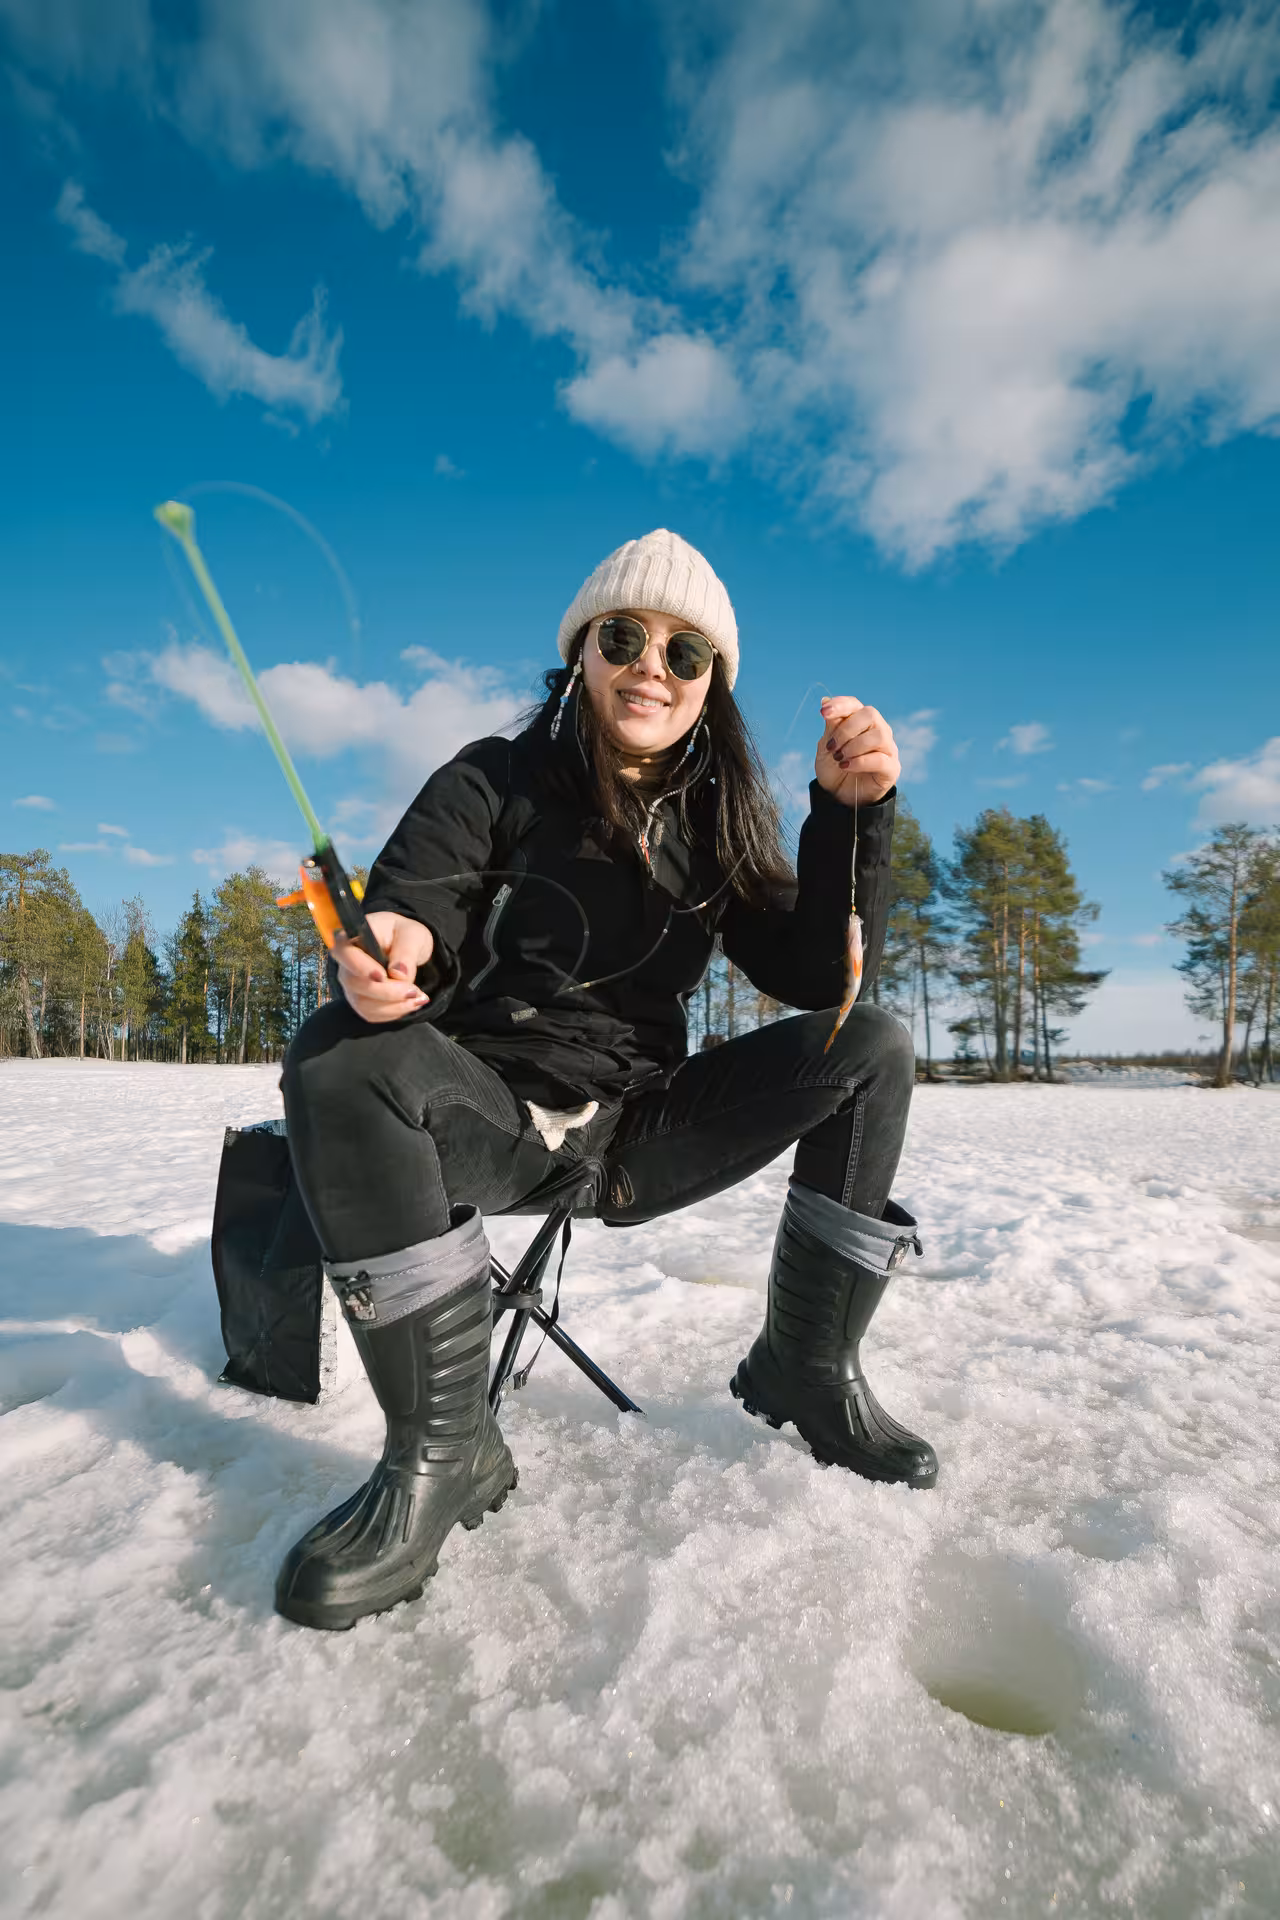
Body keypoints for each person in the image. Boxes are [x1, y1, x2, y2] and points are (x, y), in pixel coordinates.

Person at [277, 529, 934, 1632]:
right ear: (581, 652)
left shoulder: (720, 813)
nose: (650, 666)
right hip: (492, 1114)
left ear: (708, 686)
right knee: (337, 1050)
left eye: (684, 654)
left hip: (638, 1131)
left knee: (870, 1043)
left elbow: (819, 973)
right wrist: (388, 943)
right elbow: (413, 899)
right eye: (624, 637)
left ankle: (803, 1369)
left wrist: (850, 818)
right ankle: (445, 1451)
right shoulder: (493, 777)